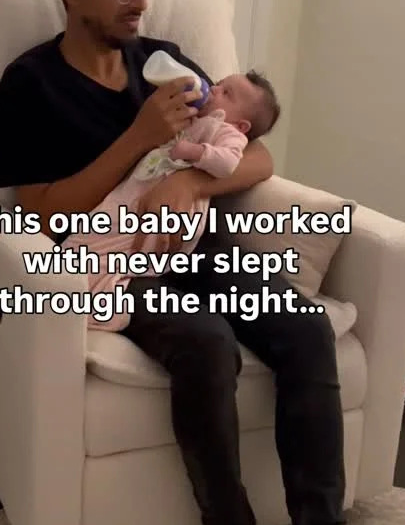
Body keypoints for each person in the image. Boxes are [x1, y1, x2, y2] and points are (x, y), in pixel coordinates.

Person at [0, 0, 405, 525]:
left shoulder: (168, 62)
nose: (139, 1)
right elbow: (41, 210)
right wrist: (138, 140)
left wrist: (188, 181)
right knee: (206, 344)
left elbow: (254, 156)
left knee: (304, 327)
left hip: (198, 251)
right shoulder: (29, 85)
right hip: (116, 265)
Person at [62, 69, 281, 331]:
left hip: (169, 217)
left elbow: (229, 162)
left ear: (241, 126)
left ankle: (96, 305)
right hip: (140, 197)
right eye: (218, 84)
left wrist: (193, 160)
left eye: (226, 93)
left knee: (112, 252)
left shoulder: (225, 130)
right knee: (95, 242)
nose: (213, 89)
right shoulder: (197, 115)